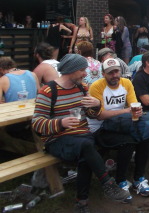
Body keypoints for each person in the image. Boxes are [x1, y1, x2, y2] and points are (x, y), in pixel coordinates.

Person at [32, 54, 131, 211]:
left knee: (89, 151)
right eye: (82, 70)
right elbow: (37, 123)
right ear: (71, 70)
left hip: (83, 137)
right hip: (58, 140)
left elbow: (91, 115)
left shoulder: (82, 88)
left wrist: (96, 105)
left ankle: (82, 203)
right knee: (86, 147)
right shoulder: (48, 91)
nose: (85, 74)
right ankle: (107, 184)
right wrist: (61, 123)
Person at [89, 58, 149, 198]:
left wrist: (137, 112)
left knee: (145, 136)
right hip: (100, 128)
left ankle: (139, 178)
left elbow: (133, 105)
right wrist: (126, 111)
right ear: (103, 74)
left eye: (116, 71)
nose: (114, 75)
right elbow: (99, 115)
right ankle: (121, 181)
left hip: (119, 124)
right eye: (110, 73)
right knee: (128, 141)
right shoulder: (96, 86)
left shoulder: (126, 83)